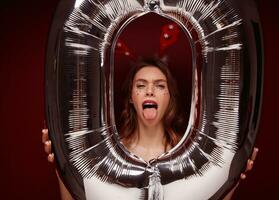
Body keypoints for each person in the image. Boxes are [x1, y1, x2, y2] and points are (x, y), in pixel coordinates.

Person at [42, 58, 259, 200]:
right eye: (141, 85)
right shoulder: (105, 158)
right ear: (131, 98)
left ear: (169, 98)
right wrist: (62, 167)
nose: (150, 91)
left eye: (160, 85)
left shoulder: (192, 158)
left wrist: (231, 179)